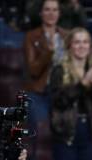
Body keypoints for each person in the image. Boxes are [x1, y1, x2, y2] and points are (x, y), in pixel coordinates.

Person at [49, 27, 92, 160]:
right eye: (77, 42)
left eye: (85, 42)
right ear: (69, 46)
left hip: (90, 133)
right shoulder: (59, 70)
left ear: (90, 47)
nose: (81, 46)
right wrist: (84, 84)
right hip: (66, 134)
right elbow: (58, 101)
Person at [24, 0, 67, 135]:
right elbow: (33, 70)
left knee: (63, 131)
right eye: (47, 9)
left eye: (55, 10)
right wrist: (49, 52)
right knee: (40, 132)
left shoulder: (66, 36)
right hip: (39, 92)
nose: (51, 13)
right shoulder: (31, 36)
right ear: (41, 13)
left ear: (59, 13)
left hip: (62, 91)